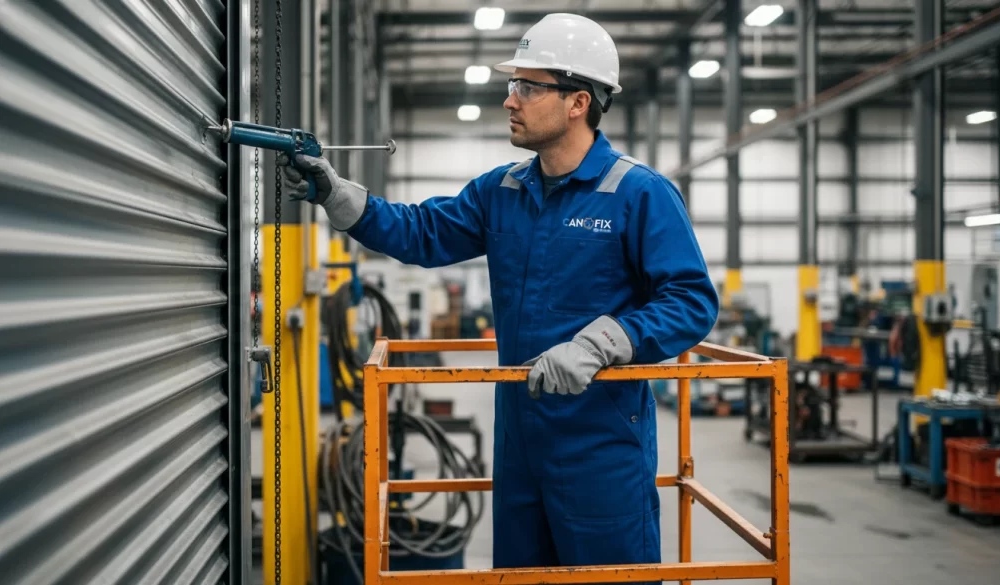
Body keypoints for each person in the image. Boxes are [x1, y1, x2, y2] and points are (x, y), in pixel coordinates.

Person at [278, 12, 718, 579]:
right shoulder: (503, 190)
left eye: (527, 87)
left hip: (600, 446)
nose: (510, 100)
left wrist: (602, 343)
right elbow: (422, 232)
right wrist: (338, 195)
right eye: (513, 86)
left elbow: (690, 301)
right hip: (519, 439)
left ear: (578, 102)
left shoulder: (638, 194)